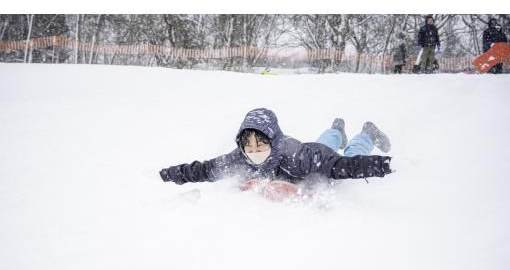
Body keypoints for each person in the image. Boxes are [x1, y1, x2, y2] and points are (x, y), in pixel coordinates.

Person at [159, 108, 392, 187]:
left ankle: (367, 133)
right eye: (248, 146)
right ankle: (336, 130)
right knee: (323, 144)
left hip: (318, 159)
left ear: (272, 140)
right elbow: (205, 169)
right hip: (317, 149)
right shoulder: (239, 158)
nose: (254, 151)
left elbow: (346, 166)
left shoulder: (300, 158)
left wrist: (385, 165)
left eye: (260, 144)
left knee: (349, 153)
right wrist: (167, 174)